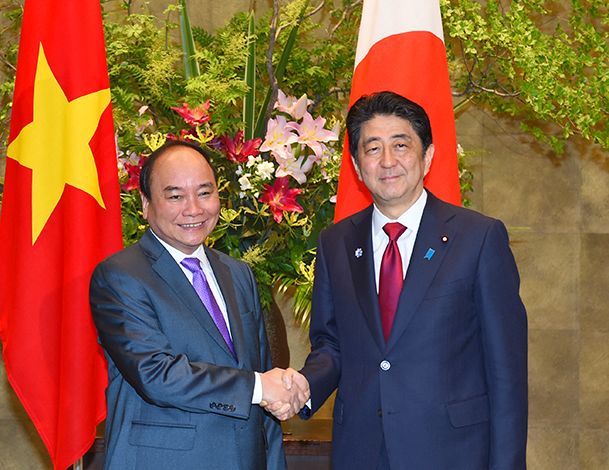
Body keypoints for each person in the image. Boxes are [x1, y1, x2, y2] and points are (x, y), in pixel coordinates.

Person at [291, 91, 528, 469]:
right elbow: (331, 344)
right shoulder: (335, 242)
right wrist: (303, 388)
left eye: (401, 145)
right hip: (361, 451)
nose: (387, 161)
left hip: (453, 453)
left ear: (427, 156)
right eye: (373, 149)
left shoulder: (478, 238)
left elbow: (506, 373)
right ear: (356, 165)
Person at [89, 139, 308, 470]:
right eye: (175, 196)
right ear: (146, 204)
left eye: (205, 193)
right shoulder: (120, 275)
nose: (193, 209)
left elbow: (262, 380)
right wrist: (258, 387)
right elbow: (156, 373)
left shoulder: (238, 273)